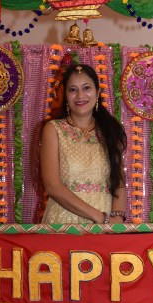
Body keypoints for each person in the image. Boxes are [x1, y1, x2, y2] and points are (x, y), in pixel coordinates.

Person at [40, 64, 127, 224]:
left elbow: (119, 182)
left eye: (86, 88)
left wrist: (117, 218)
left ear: (97, 92)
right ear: (66, 96)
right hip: (64, 222)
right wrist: (98, 217)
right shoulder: (54, 129)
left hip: (104, 226)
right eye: (73, 90)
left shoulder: (109, 130)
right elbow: (52, 185)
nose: (80, 95)